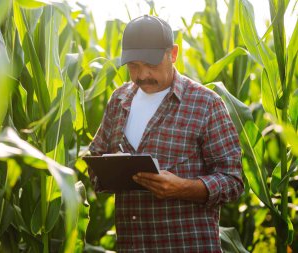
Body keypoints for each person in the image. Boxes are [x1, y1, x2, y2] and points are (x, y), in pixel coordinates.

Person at [88, 14, 244, 252]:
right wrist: (107, 171)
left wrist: (182, 187)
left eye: (150, 65)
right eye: (133, 66)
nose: (141, 75)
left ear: (173, 54)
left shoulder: (205, 103)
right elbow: (96, 157)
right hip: (132, 245)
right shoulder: (119, 100)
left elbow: (233, 180)